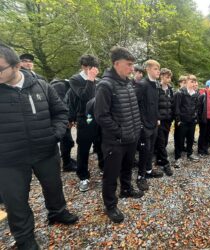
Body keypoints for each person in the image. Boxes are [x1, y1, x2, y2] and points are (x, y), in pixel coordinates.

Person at [0, 43, 78, 249]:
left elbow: (61, 112)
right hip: (9, 160)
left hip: (45, 151)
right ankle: (25, 239)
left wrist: (55, 135)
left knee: (54, 187)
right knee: (16, 202)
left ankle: (58, 212)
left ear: (17, 66)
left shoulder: (41, 86)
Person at [94, 46, 144, 223]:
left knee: (127, 167)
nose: (132, 69)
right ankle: (110, 205)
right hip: (115, 141)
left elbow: (132, 108)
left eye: (133, 65)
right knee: (110, 174)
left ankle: (126, 189)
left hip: (131, 137)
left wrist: (136, 128)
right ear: (116, 64)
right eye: (129, 64)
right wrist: (120, 131)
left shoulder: (128, 83)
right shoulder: (105, 85)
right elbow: (101, 115)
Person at [69, 55, 104, 192]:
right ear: (83, 67)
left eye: (95, 68)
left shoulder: (99, 81)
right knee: (83, 148)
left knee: (101, 144)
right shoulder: (75, 80)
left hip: (99, 117)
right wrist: (90, 79)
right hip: (85, 117)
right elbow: (85, 97)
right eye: (89, 68)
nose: (93, 71)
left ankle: (103, 167)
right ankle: (83, 176)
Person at [135, 60, 164, 192]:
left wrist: (157, 118)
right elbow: (135, 105)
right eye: (156, 69)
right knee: (144, 151)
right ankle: (140, 176)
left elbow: (156, 103)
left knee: (151, 149)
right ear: (148, 69)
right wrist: (140, 123)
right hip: (144, 125)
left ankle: (148, 170)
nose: (158, 71)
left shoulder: (156, 85)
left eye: (159, 69)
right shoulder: (142, 85)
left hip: (153, 124)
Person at [50, 79, 78, 172]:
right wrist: (69, 119)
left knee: (67, 141)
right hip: (59, 119)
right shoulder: (60, 87)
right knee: (67, 141)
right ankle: (67, 164)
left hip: (61, 117)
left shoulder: (65, 85)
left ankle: (68, 160)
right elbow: (62, 105)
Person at [174, 74, 200, 168]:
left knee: (190, 139)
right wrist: (178, 120)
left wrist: (195, 117)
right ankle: (178, 158)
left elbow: (197, 107)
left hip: (192, 121)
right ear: (186, 82)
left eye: (194, 82)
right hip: (182, 121)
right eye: (191, 81)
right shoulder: (180, 93)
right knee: (179, 140)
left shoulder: (196, 94)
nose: (193, 84)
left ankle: (190, 154)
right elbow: (176, 107)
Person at [155, 68, 174, 176]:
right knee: (161, 142)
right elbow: (154, 104)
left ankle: (159, 159)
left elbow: (171, 104)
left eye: (170, 77)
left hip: (168, 119)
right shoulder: (156, 88)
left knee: (165, 141)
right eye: (167, 77)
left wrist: (172, 117)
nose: (169, 79)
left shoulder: (170, 89)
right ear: (161, 76)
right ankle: (166, 164)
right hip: (159, 120)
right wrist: (157, 117)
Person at [198, 80, 210, 156]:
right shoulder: (202, 96)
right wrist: (200, 119)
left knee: (208, 134)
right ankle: (200, 150)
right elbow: (199, 109)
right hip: (204, 119)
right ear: (207, 87)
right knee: (202, 134)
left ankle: (206, 148)